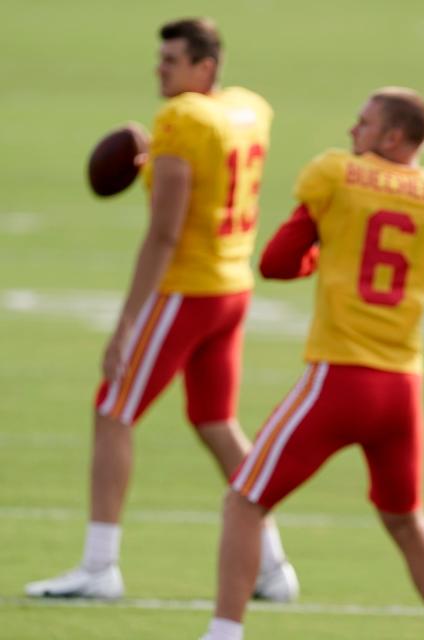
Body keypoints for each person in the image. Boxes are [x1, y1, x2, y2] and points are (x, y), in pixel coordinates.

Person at [199, 86, 424, 640]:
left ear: (391, 136)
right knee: (407, 520)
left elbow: (276, 262)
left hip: (337, 380)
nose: (351, 132)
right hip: (400, 390)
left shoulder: (338, 177)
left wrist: (324, 249)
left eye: (362, 123)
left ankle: (223, 632)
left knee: (244, 500)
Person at [25, 18, 298, 602]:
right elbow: (206, 168)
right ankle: (273, 567)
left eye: (172, 59)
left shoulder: (181, 121)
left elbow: (164, 235)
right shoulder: (249, 108)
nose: (160, 68)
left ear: (205, 66)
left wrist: (126, 322)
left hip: (187, 289)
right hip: (232, 284)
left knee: (112, 409)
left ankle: (100, 565)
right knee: (216, 422)